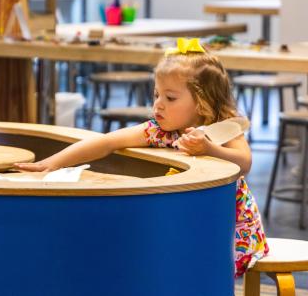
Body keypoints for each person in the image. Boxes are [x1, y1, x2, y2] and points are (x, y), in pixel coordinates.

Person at [15, 38, 269, 278]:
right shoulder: (158, 131)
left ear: (202, 102)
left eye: (170, 98)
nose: (158, 105)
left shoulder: (222, 126)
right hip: (184, 217)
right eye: (156, 94)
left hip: (228, 225)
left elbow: (244, 163)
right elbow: (107, 142)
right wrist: (50, 163)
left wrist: (209, 149)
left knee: (208, 272)